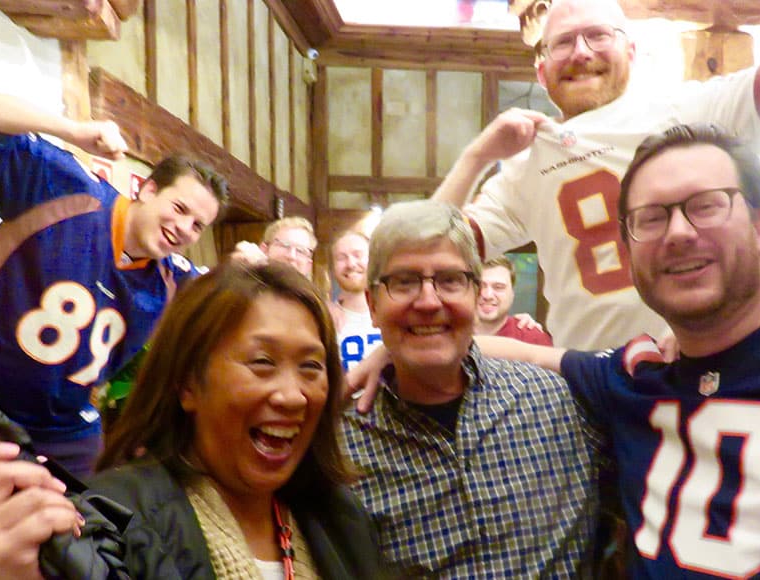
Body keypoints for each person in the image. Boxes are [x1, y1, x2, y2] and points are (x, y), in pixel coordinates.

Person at [349, 124, 760, 578]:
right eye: (652, 217)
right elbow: (541, 358)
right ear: (628, 248)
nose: (680, 233)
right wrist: (406, 345)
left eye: (707, 205)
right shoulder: (637, 372)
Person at [433, 0, 760, 350]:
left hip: (705, 374)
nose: (582, 52)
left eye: (597, 35)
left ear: (631, 49)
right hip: (587, 390)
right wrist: (477, 156)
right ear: (541, 68)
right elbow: (422, 246)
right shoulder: (525, 163)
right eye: (563, 43)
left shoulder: (694, 109)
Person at [0, 87, 228, 509]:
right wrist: (71, 130)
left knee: (83, 529)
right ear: (148, 190)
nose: (184, 227)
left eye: (197, 226)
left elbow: (229, 301)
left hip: (55, 420)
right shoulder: (68, 191)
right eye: (179, 208)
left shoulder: (173, 280)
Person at [0, 262, 384, 579]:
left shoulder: (340, 519)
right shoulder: (112, 520)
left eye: (311, 366)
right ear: (188, 384)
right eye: (262, 362)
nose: (292, 395)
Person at [341, 199, 603, 577]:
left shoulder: (556, 405)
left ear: (475, 294)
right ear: (373, 304)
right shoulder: (342, 450)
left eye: (450, 280)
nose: (429, 301)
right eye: (403, 281)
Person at [330, 230, 383, 370]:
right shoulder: (325, 319)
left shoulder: (393, 313)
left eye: (357, 255)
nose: (351, 264)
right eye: (341, 258)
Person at [475, 256, 553, 345]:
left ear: (512, 294)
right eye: (480, 286)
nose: (487, 295)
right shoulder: (455, 335)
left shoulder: (533, 339)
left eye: (498, 287)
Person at [233, 216, 317, 280]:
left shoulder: (312, 301)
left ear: (308, 265)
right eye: (284, 245)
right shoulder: (244, 290)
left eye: (300, 251)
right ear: (264, 250)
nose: (291, 256)